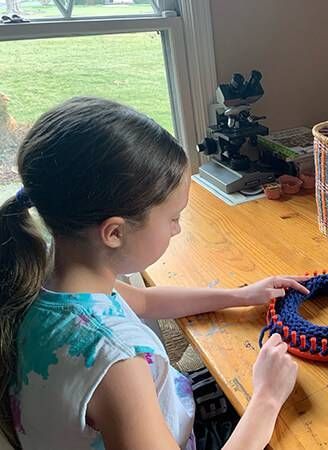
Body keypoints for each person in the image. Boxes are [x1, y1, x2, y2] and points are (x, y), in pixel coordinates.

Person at [0, 97, 306, 450]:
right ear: (114, 233)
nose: (177, 229)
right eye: (173, 218)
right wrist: (267, 398)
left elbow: (144, 300)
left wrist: (241, 295)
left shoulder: (46, 277)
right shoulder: (116, 365)